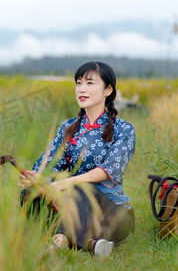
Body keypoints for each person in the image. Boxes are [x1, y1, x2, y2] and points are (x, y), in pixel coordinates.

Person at [19, 62, 135, 257]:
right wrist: (35, 177)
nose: (82, 89)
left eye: (90, 83)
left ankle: (63, 238)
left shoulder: (124, 129)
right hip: (71, 204)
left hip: (112, 213)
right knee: (29, 194)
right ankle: (88, 242)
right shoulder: (69, 127)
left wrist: (67, 182)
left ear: (108, 90)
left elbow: (107, 170)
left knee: (83, 189)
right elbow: (48, 164)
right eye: (78, 83)